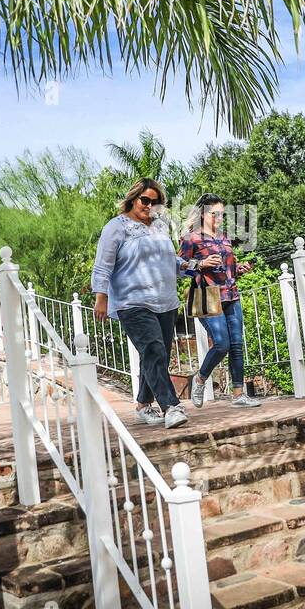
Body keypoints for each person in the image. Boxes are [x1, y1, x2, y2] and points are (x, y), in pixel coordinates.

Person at [92, 178, 190, 429]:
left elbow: (170, 260)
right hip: (132, 301)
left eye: (155, 202)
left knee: (157, 355)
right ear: (133, 199)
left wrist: (191, 267)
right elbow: (103, 265)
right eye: (145, 200)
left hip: (165, 300)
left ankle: (143, 405)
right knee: (154, 350)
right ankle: (171, 406)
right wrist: (101, 297)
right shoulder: (117, 227)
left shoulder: (160, 227)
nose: (149, 205)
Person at [178, 194, 261, 408]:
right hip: (207, 295)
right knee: (222, 343)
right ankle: (200, 378)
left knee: (236, 345)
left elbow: (228, 269)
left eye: (222, 214)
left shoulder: (224, 237)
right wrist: (201, 263)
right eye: (215, 214)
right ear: (204, 214)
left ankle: (238, 395)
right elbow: (179, 266)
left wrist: (239, 269)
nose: (220, 218)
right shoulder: (191, 238)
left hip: (231, 294)